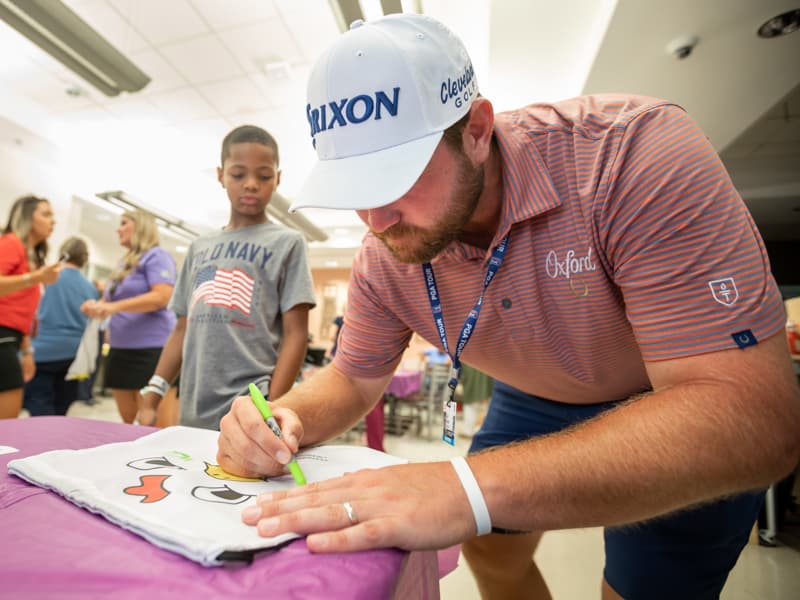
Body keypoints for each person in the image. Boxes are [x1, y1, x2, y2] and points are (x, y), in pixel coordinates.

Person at [216, 14, 800, 600]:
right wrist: (285, 418)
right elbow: (350, 378)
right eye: (354, 188)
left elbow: (757, 416)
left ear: (476, 129)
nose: (376, 220)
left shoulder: (630, 154)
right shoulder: (382, 253)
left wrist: (462, 488)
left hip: (669, 396)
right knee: (491, 550)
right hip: (533, 394)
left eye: (395, 176)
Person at [138, 125, 315, 430]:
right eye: (238, 174)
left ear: (278, 179)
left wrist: (275, 404)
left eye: (263, 176)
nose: (251, 185)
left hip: (252, 406)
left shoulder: (288, 243)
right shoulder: (199, 248)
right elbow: (182, 327)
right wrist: (154, 391)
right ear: (220, 175)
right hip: (194, 405)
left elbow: (295, 334)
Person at [81, 210, 176, 424]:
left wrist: (112, 307)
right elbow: (110, 303)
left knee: (153, 424)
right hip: (120, 348)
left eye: (124, 223)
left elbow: (162, 296)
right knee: (129, 422)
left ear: (141, 226)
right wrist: (96, 306)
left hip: (151, 350)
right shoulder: (124, 263)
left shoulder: (156, 256)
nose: (118, 229)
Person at [0, 195, 61, 418]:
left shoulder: (30, 255)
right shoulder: (11, 243)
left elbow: (21, 311)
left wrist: (27, 350)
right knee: (7, 420)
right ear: (27, 217)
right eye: (46, 214)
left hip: (11, 338)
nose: (53, 221)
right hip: (2, 336)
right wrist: (35, 277)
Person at [23, 236, 99, 416]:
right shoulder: (90, 288)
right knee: (61, 409)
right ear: (84, 258)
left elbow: (31, 312)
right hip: (73, 355)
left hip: (42, 352)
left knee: (39, 405)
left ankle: (41, 443)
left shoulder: (46, 279)